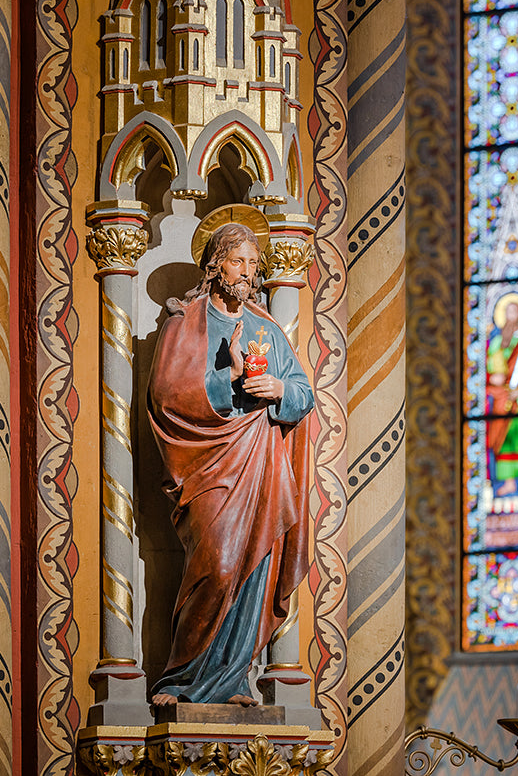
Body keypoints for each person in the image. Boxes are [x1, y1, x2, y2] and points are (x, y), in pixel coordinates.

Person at [146, 220, 314, 708]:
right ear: (214, 264)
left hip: (259, 461)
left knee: (252, 568)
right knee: (216, 566)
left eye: (253, 264)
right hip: (206, 463)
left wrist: (278, 390)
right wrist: (232, 382)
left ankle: (232, 680)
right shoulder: (186, 321)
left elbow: (302, 393)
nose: (246, 272)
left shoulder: (265, 328)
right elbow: (166, 395)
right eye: (237, 261)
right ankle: (181, 680)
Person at [485, 293, 518, 502]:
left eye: (514, 311)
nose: (511, 315)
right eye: (508, 311)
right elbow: (490, 368)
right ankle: (507, 482)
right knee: (502, 439)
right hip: (501, 398)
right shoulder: (498, 341)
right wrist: (496, 379)